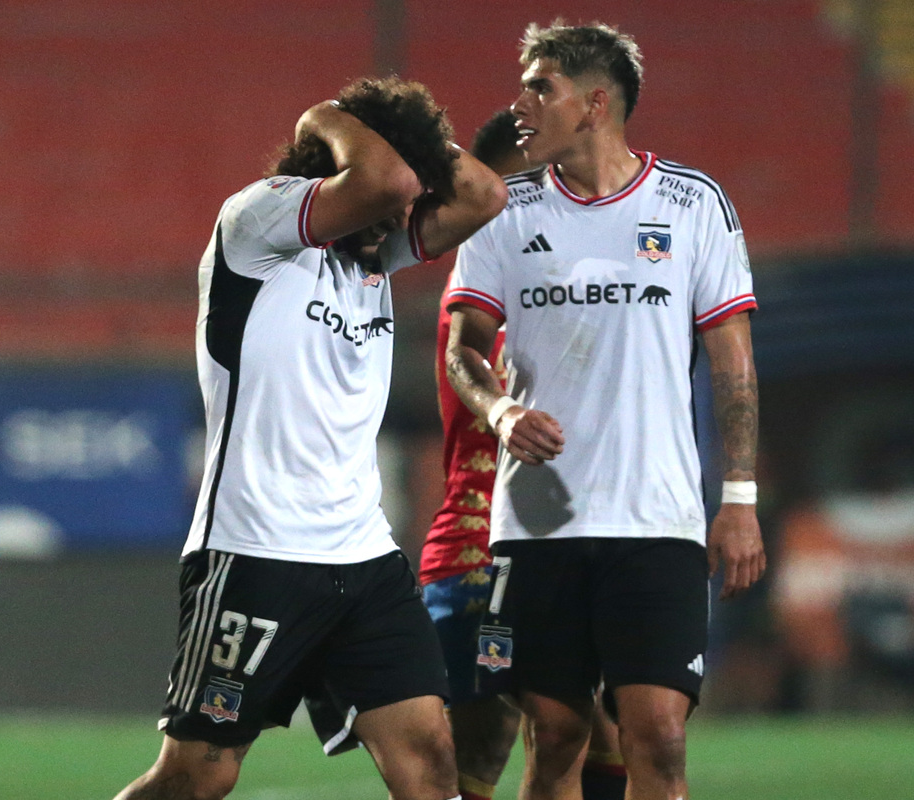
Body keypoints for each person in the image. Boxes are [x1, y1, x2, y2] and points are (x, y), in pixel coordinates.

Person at [114, 77, 507, 800]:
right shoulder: (257, 225)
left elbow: (484, 195)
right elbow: (385, 178)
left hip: (362, 556)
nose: (398, 217)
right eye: (392, 200)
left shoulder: (371, 256)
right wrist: (330, 116)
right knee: (198, 776)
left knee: (431, 758)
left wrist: (415, 142)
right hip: (255, 550)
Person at [445, 21, 765, 800]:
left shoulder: (693, 204)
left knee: (657, 733)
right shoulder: (503, 212)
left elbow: (733, 362)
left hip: (655, 521)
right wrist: (497, 413)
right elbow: (462, 350)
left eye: (540, 87)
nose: (521, 103)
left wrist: (740, 499)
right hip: (540, 522)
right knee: (553, 736)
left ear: (594, 104)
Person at [420, 108, 625, 800]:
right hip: (486, 557)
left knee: (599, 730)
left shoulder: (555, 280)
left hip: (563, 545)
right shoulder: (484, 297)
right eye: (529, 184)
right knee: (483, 756)